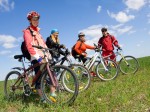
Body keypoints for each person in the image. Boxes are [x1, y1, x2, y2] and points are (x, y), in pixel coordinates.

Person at [23, 11, 56, 102]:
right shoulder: (27, 32)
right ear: (30, 20)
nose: (36, 20)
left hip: (44, 56)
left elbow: (44, 45)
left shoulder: (38, 32)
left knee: (50, 74)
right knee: (39, 77)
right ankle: (42, 98)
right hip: (36, 57)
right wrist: (38, 57)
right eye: (34, 19)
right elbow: (29, 46)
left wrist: (48, 55)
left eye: (37, 19)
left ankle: (53, 94)